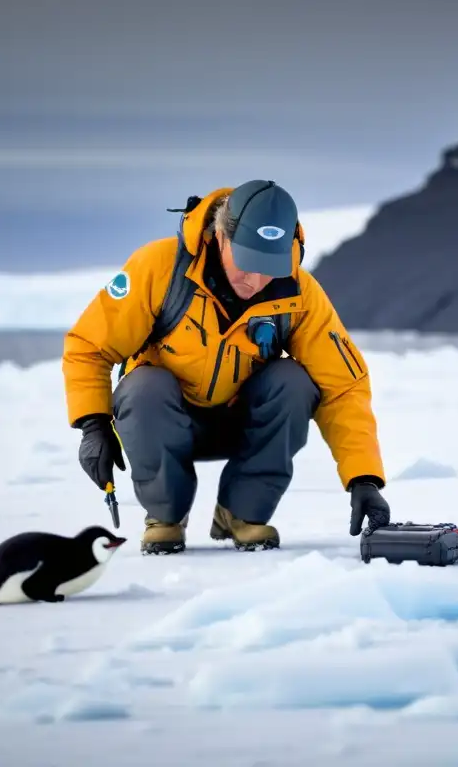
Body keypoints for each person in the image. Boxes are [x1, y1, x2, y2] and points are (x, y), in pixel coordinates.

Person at [62, 180, 391, 554]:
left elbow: (344, 386)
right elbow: (88, 347)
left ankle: (242, 513)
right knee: (145, 385)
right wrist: (93, 424)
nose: (256, 281)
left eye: (271, 267)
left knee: (293, 381)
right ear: (220, 237)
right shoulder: (158, 269)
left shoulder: (300, 294)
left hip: (242, 423)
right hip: (162, 423)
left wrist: (364, 478)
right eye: (248, 264)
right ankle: (165, 517)